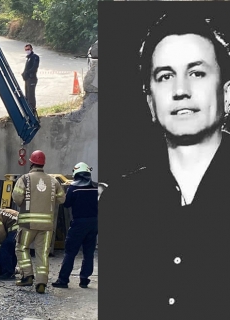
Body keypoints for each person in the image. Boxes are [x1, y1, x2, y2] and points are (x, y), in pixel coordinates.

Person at [100, 10, 230, 318]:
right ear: (151, 103)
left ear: (227, 94)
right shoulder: (121, 203)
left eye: (197, 73)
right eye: (165, 76)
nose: (180, 90)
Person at [11, 150, 65, 294]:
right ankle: (41, 282)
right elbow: (61, 199)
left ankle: (27, 276)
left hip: (27, 224)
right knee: (43, 253)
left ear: (31, 162)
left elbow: (16, 197)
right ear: (43, 164)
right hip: (47, 225)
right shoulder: (53, 181)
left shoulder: (25, 179)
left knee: (21, 248)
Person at [51, 162, 98, 289]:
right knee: (89, 252)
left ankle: (63, 280)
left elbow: (66, 204)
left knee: (70, 252)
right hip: (94, 223)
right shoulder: (96, 187)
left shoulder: (73, 188)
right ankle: (84, 280)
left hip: (78, 223)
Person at [22, 44, 39, 111]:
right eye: (26, 50)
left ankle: (32, 109)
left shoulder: (35, 57)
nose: (27, 51)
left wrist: (27, 73)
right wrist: (23, 74)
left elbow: (35, 67)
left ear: (31, 49)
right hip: (27, 79)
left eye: (28, 49)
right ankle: (28, 109)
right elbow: (26, 68)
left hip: (32, 79)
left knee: (31, 95)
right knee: (27, 95)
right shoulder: (28, 58)